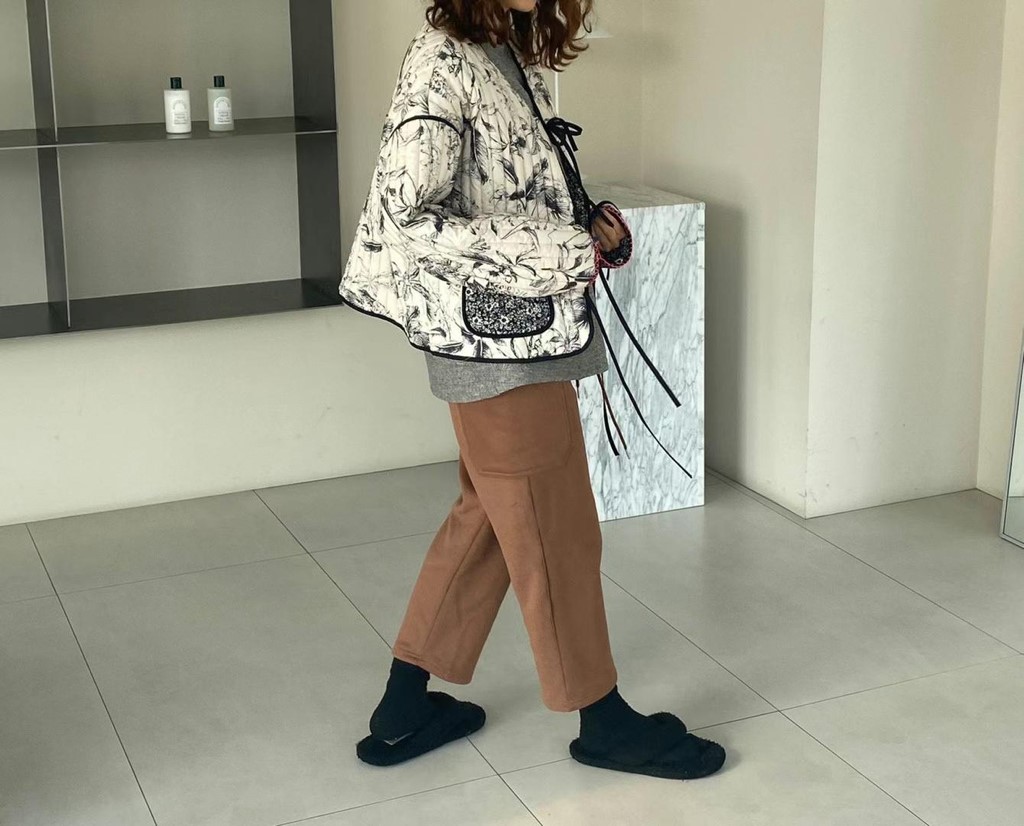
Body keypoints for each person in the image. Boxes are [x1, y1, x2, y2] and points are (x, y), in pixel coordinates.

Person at [339, 0, 726, 781]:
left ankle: (405, 704)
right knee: (556, 529)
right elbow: (410, 219)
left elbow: (504, 190)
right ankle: (601, 718)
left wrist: (589, 225)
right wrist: (561, 251)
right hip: (495, 342)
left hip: (515, 330)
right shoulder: (442, 60)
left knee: (488, 517)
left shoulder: (501, 49)